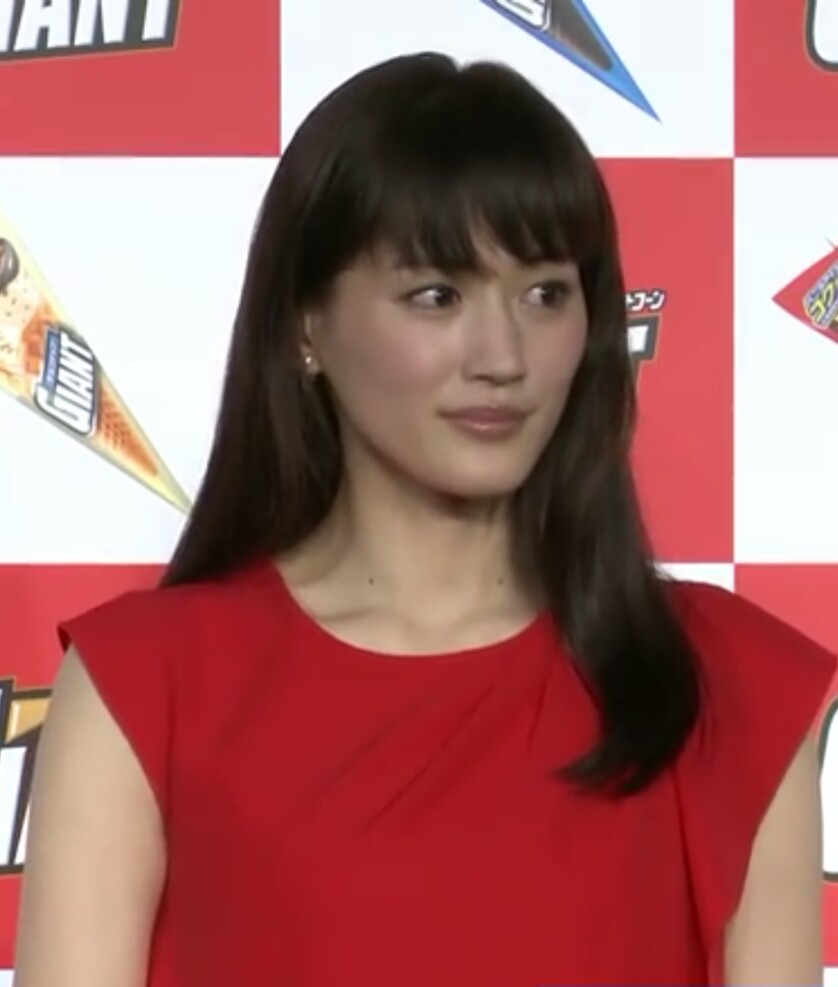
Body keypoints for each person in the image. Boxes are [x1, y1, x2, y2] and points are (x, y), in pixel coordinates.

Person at [12, 52, 836, 987]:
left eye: (545, 293)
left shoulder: (731, 685)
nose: (503, 356)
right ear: (306, 327)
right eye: (437, 295)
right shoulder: (145, 687)